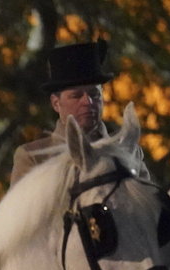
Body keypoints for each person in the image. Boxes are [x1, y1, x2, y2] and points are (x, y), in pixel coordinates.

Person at [11, 39, 122, 185]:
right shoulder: (34, 157)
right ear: (56, 103)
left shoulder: (124, 151)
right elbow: (23, 207)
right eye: (76, 96)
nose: (88, 102)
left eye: (94, 94)